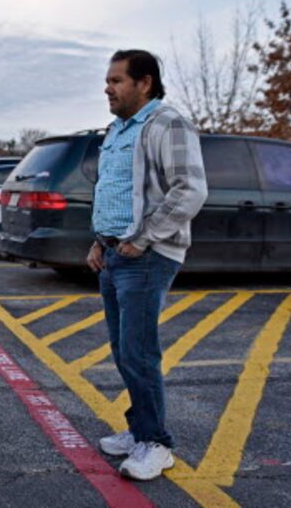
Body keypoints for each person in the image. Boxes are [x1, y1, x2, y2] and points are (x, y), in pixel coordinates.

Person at [86, 50, 208, 480]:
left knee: (139, 351)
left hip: (148, 254)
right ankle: (140, 429)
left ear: (145, 83)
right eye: (108, 80)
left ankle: (157, 444)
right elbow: (114, 190)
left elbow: (190, 190)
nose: (108, 88)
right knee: (123, 350)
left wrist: (141, 238)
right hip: (115, 254)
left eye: (117, 80)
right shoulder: (119, 130)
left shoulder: (167, 124)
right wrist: (100, 241)